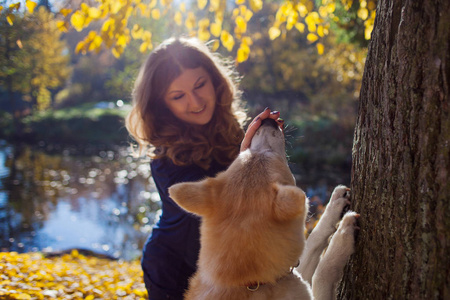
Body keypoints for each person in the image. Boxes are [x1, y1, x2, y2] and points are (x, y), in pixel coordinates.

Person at [125, 37, 283, 300]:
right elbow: (214, 203)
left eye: (200, 85)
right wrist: (248, 155)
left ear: (215, 81)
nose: (195, 101)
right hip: (174, 272)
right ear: (162, 103)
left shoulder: (232, 130)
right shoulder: (164, 153)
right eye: (178, 96)